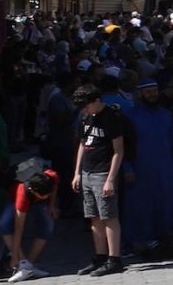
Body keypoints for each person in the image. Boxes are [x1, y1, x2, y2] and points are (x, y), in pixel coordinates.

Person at [121, 79, 173, 252]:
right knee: (140, 207)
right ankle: (137, 242)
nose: (152, 95)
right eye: (148, 92)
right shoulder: (129, 116)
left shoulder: (166, 114)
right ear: (140, 94)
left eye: (154, 91)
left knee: (166, 204)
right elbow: (123, 146)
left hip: (165, 169)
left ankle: (166, 239)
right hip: (140, 170)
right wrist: (127, 168)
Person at [72, 84, 127, 276]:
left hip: (103, 172)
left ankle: (114, 258)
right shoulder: (84, 116)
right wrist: (77, 172)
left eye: (87, 106)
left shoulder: (111, 118)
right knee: (94, 217)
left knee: (109, 216)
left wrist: (110, 179)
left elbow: (118, 151)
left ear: (96, 101)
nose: (85, 110)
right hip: (87, 171)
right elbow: (82, 143)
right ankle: (100, 256)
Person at [0, 171, 56, 282]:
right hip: (17, 198)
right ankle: (23, 263)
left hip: (37, 198)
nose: (48, 196)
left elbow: (54, 187)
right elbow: (18, 228)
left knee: (47, 227)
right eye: (45, 195)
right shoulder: (22, 195)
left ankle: (28, 267)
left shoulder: (51, 176)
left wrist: (52, 205)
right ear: (33, 191)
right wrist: (15, 256)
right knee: (4, 225)